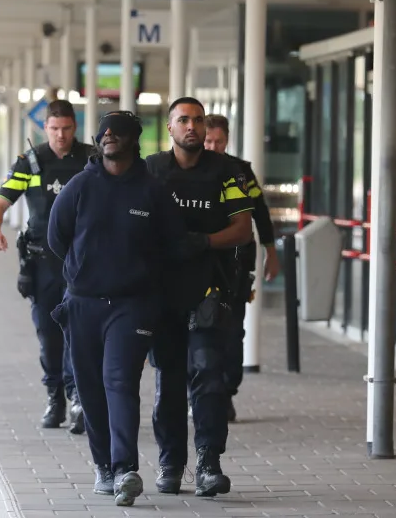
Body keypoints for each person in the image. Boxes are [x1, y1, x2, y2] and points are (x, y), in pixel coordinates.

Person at [47, 110, 190, 507]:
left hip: (133, 306)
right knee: (91, 388)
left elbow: (171, 245)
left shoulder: (152, 191)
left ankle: (126, 468)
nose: (109, 137)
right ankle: (105, 467)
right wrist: (84, 271)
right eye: (104, 132)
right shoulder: (78, 187)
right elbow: (57, 238)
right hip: (83, 304)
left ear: (134, 139)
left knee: (120, 381)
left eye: (118, 132)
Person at [145, 97, 254, 498]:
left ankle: (209, 463)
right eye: (183, 120)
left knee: (209, 378)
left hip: (210, 293)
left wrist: (203, 241)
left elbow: (243, 229)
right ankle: (171, 463)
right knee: (169, 382)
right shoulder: (152, 171)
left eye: (198, 120)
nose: (192, 126)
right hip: (162, 296)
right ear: (170, 128)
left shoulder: (226, 172)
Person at [0, 98, 96, 434]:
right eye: (54, 129)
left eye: (66, 129)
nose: (60, 135)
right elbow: (0, 203)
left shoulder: (91, 160)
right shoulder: (31, 163)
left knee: (78, 332)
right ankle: (55, 397)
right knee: (49, 334)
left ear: (74, 127)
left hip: (82, 263)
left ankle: (77, 396)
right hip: (42, 262)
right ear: (44, 128)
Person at [203, 114, 280, 422]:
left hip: (235, 267)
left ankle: (225, 391)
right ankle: (204, 394)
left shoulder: (240, 172)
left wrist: (270, 253)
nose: (212, 146)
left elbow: (260, 214)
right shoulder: (188, 171)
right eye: (208, 140)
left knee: (233, 334)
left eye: (218, 141)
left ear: (227, 140)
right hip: (200, 266)